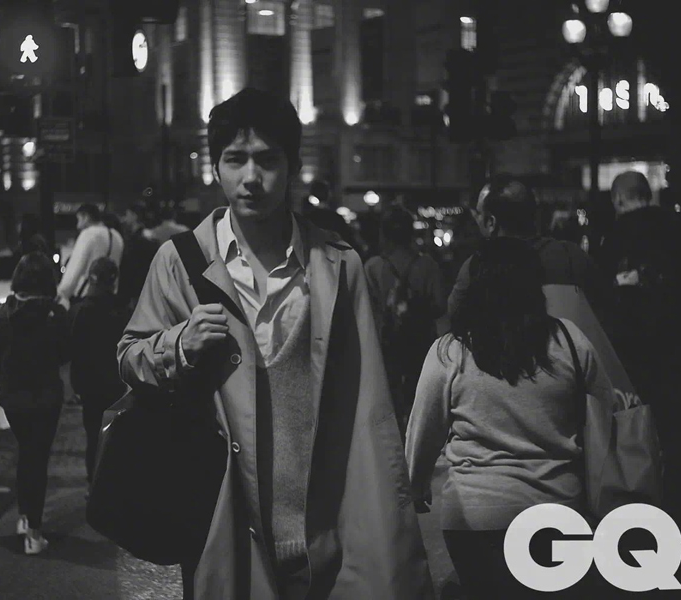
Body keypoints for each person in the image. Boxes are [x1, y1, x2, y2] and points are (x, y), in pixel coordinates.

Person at [117, 87, 433, 599]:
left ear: (292, 165)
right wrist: (179, 344)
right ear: (215, 167)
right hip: (225, 522)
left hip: (328, 528)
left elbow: (370, 406)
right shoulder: (180, 261)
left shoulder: (338, 264)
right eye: (235, 160)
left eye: (267, 159)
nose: (251, 177)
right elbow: (129, 357)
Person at [406, 237, 614, 599]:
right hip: (558, 512)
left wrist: (416, 483)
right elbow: (607, 412)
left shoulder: (450, 352)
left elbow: (423, 431)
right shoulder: (569, 340)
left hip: (474, 519)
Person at [596, 170, 681, 543]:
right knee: (675, 430)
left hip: (631, 352)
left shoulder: (616, 237)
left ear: (620, 199)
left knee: (634, 433)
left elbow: (601, 294)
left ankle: (641, 511)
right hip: (678, 349)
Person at [0, 251, 71, 555]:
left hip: (13, 397)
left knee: (25, 452)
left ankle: (23, 516)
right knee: (37, 458)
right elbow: (64, 353)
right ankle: (34, 532)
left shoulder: (1, 314)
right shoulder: (56, 315)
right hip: (45, 395)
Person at [449, 177, 611, 324]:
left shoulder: (475, 268)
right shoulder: (571, 256)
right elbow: (603, 307)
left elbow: (455, 318)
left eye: (479, 214)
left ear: (491, 222)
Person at [364, 205, 448, 439]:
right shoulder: (428, 265)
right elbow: (440, 306)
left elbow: (367, 312)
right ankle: (416, 441)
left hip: (386, 343)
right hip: (421, 342)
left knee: (389, 396)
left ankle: (392, 443)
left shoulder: (373, 267)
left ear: (383, 234)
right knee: (417, 395)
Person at [68, 257, 128, 483]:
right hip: (115, 382)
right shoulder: (121, 311)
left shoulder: (80, 311)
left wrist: (75, 384)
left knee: (93, 435)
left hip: (89, 385)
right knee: (113, 435)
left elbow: (74, 351)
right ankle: (109, 482)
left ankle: (93, 483)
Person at [56, 204, 124, 307]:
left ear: (86, 217)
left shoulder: (88, 234)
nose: (78, 226)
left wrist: (62, 293)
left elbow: (75, 268)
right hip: (110, 296)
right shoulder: (117, 236)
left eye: (79, 219)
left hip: (87, 297)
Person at [118, 200, 160, 311]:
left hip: (136, 288)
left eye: (127, 215)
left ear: (134, 216)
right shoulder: (148, 235)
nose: (125, 218)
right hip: (144, 287)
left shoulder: (139, 237)